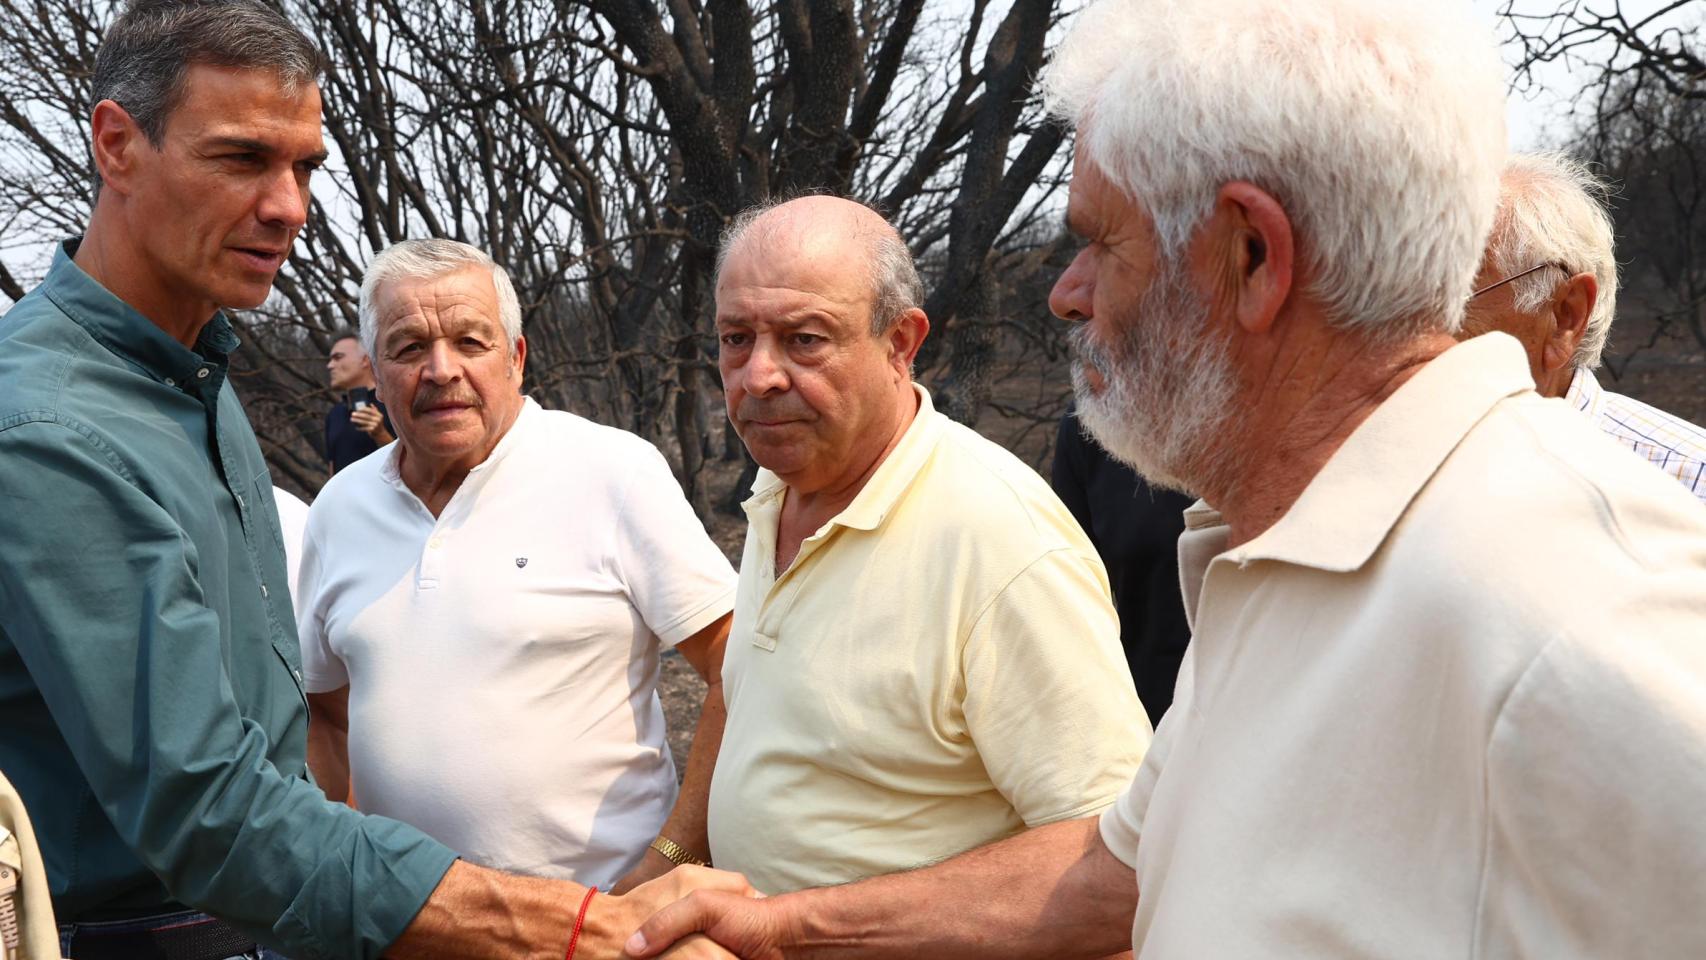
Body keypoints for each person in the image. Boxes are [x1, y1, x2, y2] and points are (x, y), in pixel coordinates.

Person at [622, 1, 1706, 958]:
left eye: (1100, 240)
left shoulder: (1590, 612)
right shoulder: (1281, 554)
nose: (1065, 293)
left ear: (1249, 255)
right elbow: (1111, 874)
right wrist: (779, 926)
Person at [0, 3, 748, 958]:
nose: (289, 206)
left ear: (517, 355)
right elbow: (217, 811)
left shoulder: (195, 379)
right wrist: (576, 929)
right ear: (116, 144)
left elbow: (270, 748)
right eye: (241, 158)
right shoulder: (51, 428)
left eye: (305, 166)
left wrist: (664, 860)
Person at [702, 194, 1151, 898]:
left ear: (901, 343)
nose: (759, 375)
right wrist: (672, 855)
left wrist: (800, 929)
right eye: (736, 338)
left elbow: (1110, 861)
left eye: (805, 339)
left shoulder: (1001, 542)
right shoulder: (784, 478)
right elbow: (751, 695)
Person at [296, 239, 737, 892]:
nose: (441, 369)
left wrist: (668, 862)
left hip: (601, 925)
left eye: (470, 342)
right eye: (409, 347)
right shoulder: (338, 507)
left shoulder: (611, 470)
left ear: (517, 357)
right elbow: (323, 711)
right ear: (378, 372)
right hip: (409, 931)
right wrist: (347, 874)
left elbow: (739, 670)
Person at [1460, 152, 1706, 503]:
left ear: (1565, 316)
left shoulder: (1692, 485)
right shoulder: (1384, 467)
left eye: (1455, 293)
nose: (1412, 328)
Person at [1051, 403, 1194, 725]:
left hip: (1273, 724)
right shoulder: (1089, 431)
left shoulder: (1279, 420)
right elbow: (1070, 601)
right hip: (1146, 725)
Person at [323, 328, 394, 473]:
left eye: (338, 357)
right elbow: (333, 473)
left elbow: (415, 466)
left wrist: (381, 434)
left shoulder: (392, 404)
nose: (330, 366)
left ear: (365, 360)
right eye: (330, 359)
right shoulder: (334, 414)